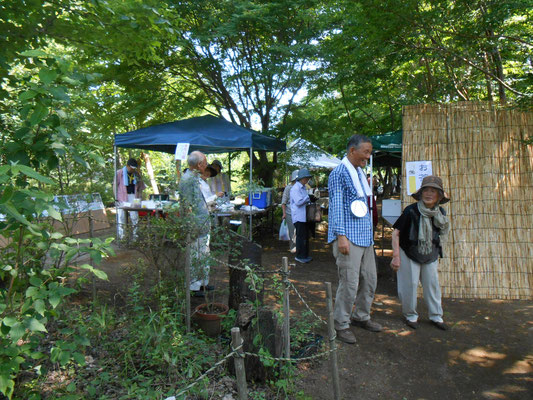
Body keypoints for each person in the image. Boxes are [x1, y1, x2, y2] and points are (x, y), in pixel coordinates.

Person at [328, 134, 383, 345]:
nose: (368, 157)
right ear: (352, 151)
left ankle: (361, 316)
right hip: (348, 237)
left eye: (369, 153)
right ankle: (341, 323)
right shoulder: (339, 173)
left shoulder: (359, 173)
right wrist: (341, 237)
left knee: (370, 279)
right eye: (365, 152)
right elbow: (336, 207)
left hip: (365, 236)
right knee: (349, 283)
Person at [390, 175, 450, 330]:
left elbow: (441, 233)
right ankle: (411, 315)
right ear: (421, 193)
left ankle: (436, 316)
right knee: (409, 285)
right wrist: (396, 256)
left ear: (439, 196)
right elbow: (396, 233)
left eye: (433, 191)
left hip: (430, 254)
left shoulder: (440, 213)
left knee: (432, 285)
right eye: (426, 190)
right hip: (409, 252)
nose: (429, 194)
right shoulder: (411, 211)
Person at [178, 151, 214, 296]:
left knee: (204, 253)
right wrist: (191, 226)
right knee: (195, 254)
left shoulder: (195, 178)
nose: (206, 165)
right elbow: (187, 206)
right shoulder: (187, 180)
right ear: (199, 164)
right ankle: (194, 286)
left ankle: (203, 283)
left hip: (202, 223)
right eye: (205, 162)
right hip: (195, 225)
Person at [114, 158, 145, 240]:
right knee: (121, 216)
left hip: (133, 196)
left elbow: (141, 187)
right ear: (127, 166)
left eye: (134, 168)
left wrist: (140, 198)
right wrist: (115, 198)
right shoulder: (119, 173)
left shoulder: (137, 174)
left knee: (134, 216)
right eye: (131, 168)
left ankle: (135, 235)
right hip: (122, 196)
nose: (132, 170)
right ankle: (122, 236)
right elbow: (115, 186)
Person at [290, 168, 312, 263]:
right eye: (306, 178)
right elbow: (299, 202)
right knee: (300, 237)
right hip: (298, 217)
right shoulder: (295, 188)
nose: (307, 180)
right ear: (301, 178)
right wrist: (308, 197)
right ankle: (299, 256)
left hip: (304, 216)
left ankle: (305, 255)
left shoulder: (303, 188)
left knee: (305, 236)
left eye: (308, 178)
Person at [281, 170, 299, 253]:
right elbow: (283, 202)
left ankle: (298, 247)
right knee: (292, 232)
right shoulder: (288, 188)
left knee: (298, 231)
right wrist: (284, 213)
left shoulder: (300, 187)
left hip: (298, 213)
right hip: (289, 213)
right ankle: (293, 248)